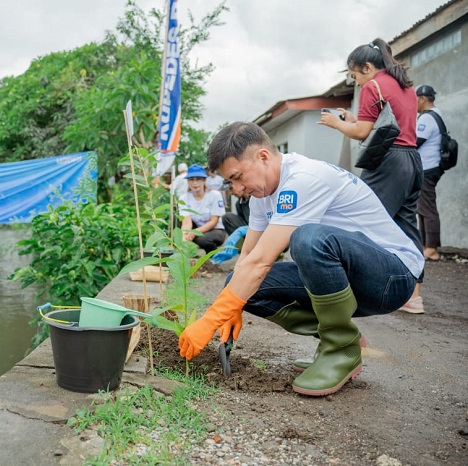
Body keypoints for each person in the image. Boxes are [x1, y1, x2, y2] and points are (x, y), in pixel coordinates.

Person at [178, 122, 423, 397]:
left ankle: (340, 349)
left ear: (262, 156)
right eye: (230, 182)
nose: (237, 188)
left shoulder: (305, 178)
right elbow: (248, 257)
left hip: (392, 277)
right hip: (349, 278)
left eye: (238, 177)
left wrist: (210, 320)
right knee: (238, 283)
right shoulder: (262, 195)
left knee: (309, 239)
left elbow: (262, 263)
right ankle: (339, 338)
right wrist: (231, 306)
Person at [318, 37, 424, 314]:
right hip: (412, 160)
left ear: (366, 67)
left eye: (355, 76)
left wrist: (337, 124)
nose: (357, 83)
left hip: (388, 162)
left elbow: (364, 133)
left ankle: (357, 289)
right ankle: (414, 296)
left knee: (361, 220)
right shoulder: (404, 85)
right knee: (406, 224)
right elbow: (388, 123)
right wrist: (353, 119)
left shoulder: (373, 86)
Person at [415, 85, 444, 262]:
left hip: (428, 168)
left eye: (415, 99)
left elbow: (415, 141)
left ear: (423, 99)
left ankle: (431, 248)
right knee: (422, 208)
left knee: (427, 208)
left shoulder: (428, 118)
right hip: (429, 167)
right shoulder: (435, 115)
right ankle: (426, 246)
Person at [179, 164, 227, 253]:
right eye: (191, 180)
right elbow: (186, 221)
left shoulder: (214, 195)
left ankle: (212, 258)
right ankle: (189, 254)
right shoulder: (184, 198)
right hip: (197, 227)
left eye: (198, 179)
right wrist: (184, 237)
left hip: (215, 229)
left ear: (204, 180)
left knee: (203, 240)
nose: (194, 183)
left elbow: (214, 221)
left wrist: (194, 232)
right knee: (178, 224)